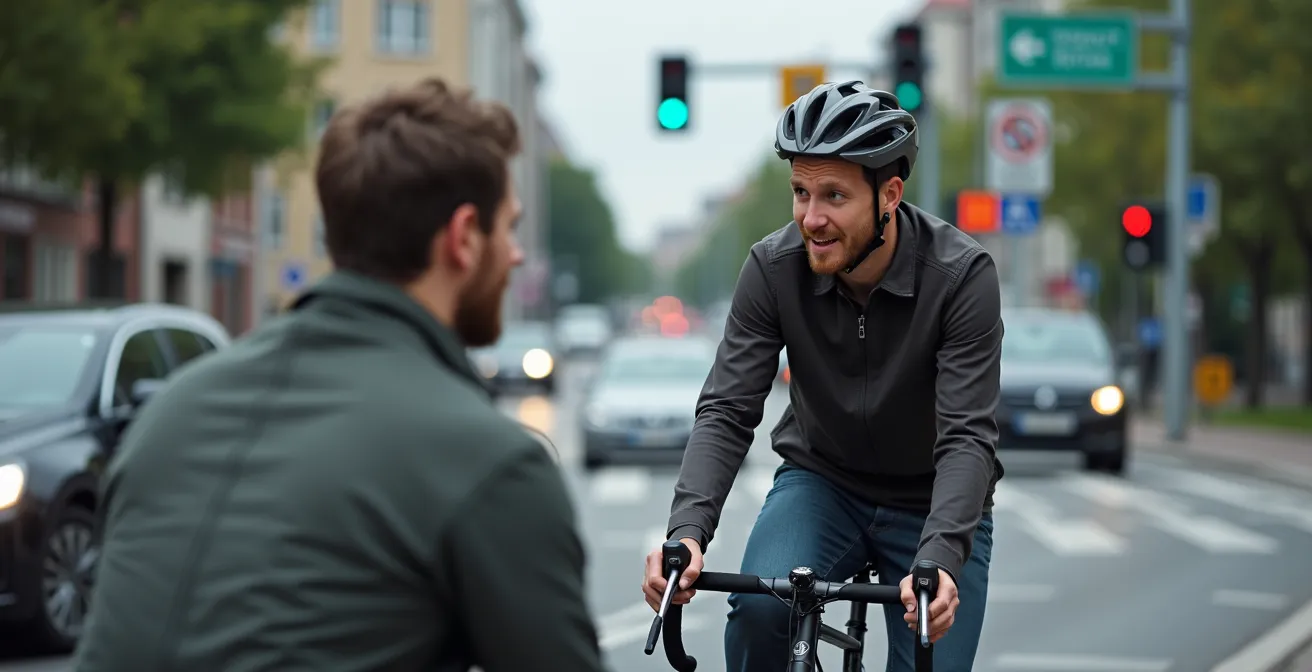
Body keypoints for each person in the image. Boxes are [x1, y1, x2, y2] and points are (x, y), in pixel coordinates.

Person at [75, 78, 606, 672]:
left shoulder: (169, 416)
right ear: (461, 239)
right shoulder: (491, 462)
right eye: (508, 228)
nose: (515, 255)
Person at [642, 80, 1004, 671]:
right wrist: (687, 533)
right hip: (822, 483)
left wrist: (939, 555)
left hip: (930, 496)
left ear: (888, 195)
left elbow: (968, 436)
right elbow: (728, 410)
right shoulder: (772, 267)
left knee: (929, 657)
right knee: (760, 614)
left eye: (834, 196)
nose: (812, 218)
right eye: (801, 192)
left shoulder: (962, 276)